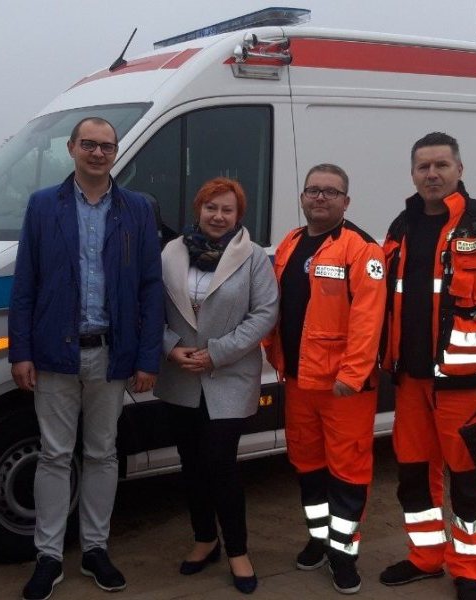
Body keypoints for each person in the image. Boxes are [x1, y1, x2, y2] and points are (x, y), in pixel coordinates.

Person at [9, 117, 164, 599]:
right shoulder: (42, 206)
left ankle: (95, 549)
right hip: (55, 352)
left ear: (116, 152)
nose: (98, 153)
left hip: (112, 354)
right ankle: (48, 556)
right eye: (89, 145)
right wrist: (21, 351)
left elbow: (150, 286)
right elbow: (25, 284)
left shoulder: (137, 209)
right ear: (72, 148)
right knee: (55, 455)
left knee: (102, 453)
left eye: (107, 146)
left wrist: (148, 357)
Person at [378, 132, 476, 600]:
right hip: (410, 379)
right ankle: (425, 557)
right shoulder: (401, 226)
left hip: (465, 382)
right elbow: (380, 299)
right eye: (423, 167)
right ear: (412, 174)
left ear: (459, 170)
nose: (432, 174)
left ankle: (470, 569)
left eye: (441, 165)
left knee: (466, 478)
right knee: (413, 473)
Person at [263, 164, 386, 594]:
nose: (320, 197)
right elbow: (276, 305)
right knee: (308, 466)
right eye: (313, 190)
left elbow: (368, 321)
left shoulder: (362, 250)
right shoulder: (291, 242)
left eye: (330, 192)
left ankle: (343, 554)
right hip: (299, 382)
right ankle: (319, 538)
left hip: (343, 389)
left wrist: (351, 375)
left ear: (345, 202)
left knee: (348, 472)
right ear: (302, 197)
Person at [155, 177, 278, 595]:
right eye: (211, 208)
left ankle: (238, 551)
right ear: (199, 210)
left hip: (228, 374)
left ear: (239, 215)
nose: (218, 216)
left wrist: (217, 352)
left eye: (228, 209)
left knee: (221, 463)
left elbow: (265, 313)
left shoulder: (253, 257)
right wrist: (170, 348)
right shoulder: (171, 253)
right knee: (191, 463)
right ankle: (205, 539)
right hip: (181, 375)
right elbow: (150, 308)